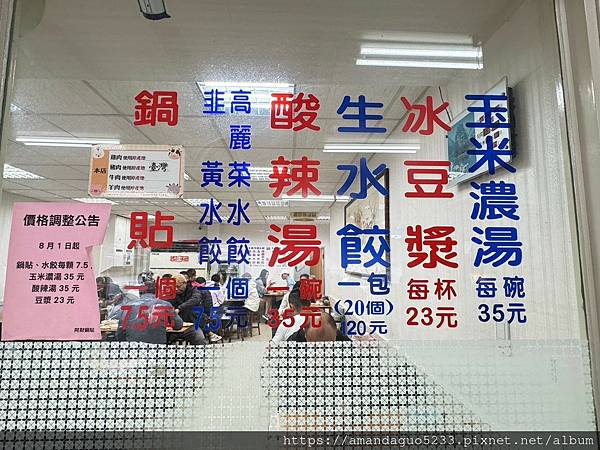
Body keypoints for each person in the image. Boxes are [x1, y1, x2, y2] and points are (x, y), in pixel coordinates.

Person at [114, 282, 183, 344]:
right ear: (156, 292)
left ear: (140, 293)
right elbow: (178, 325)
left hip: (134, 349)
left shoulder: (128, 306)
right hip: (157, 349)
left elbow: (120, 333)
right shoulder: (165, 305)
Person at [173, 274, 211, 345]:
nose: (176, 289)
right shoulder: (171, 292)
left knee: (199, 339)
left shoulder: (194, 290)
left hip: (192, 323)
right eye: (174, 286)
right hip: (174, 324)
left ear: (185, 283)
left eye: (178, 286)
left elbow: (195, 299)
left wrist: (179, 308)